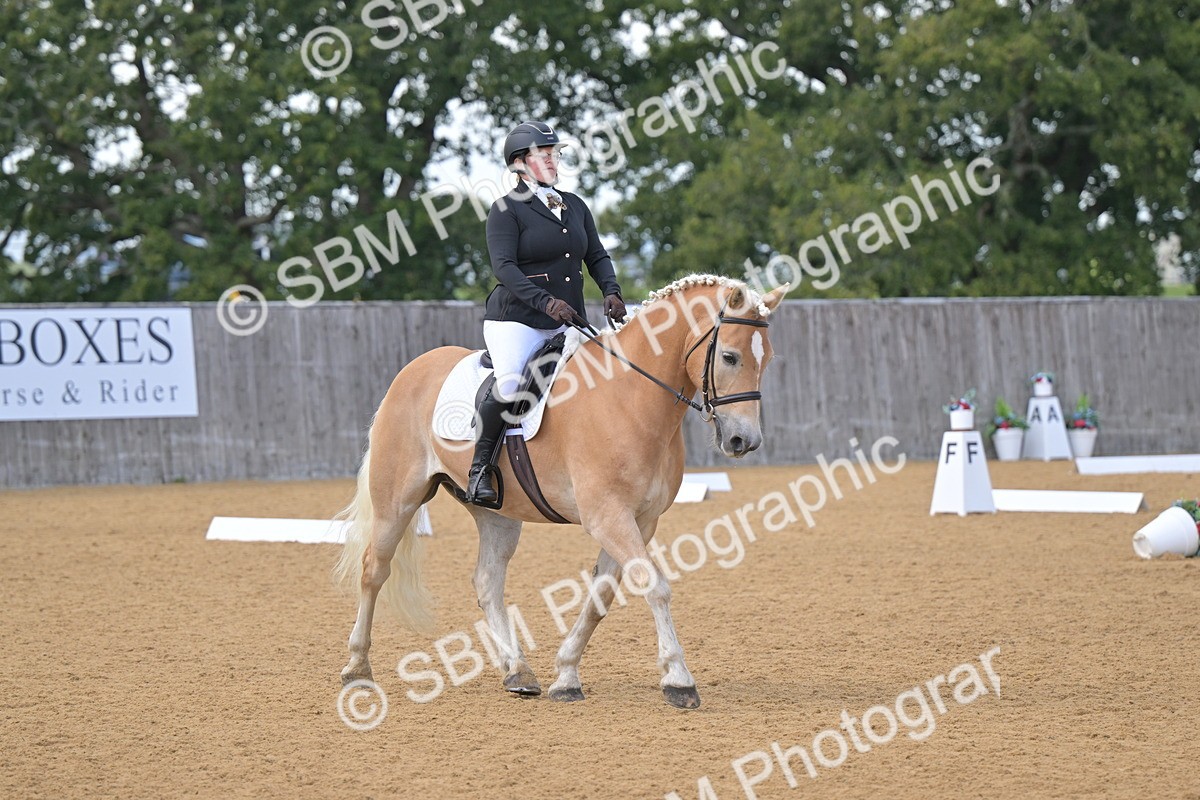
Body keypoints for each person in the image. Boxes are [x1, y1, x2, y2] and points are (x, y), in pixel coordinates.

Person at [465, 121, 627, 504]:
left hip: (568, 321)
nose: (554, 161)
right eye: (545, 155)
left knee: (605, 374)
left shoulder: (575, 206)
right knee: (509, 385)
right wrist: (545, 301)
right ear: (520, 163)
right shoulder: (505, 210)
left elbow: (596, 255)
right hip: (517, 320)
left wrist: (612, 290)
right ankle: (479, 469)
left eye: (555, 154)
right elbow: (504, 268)